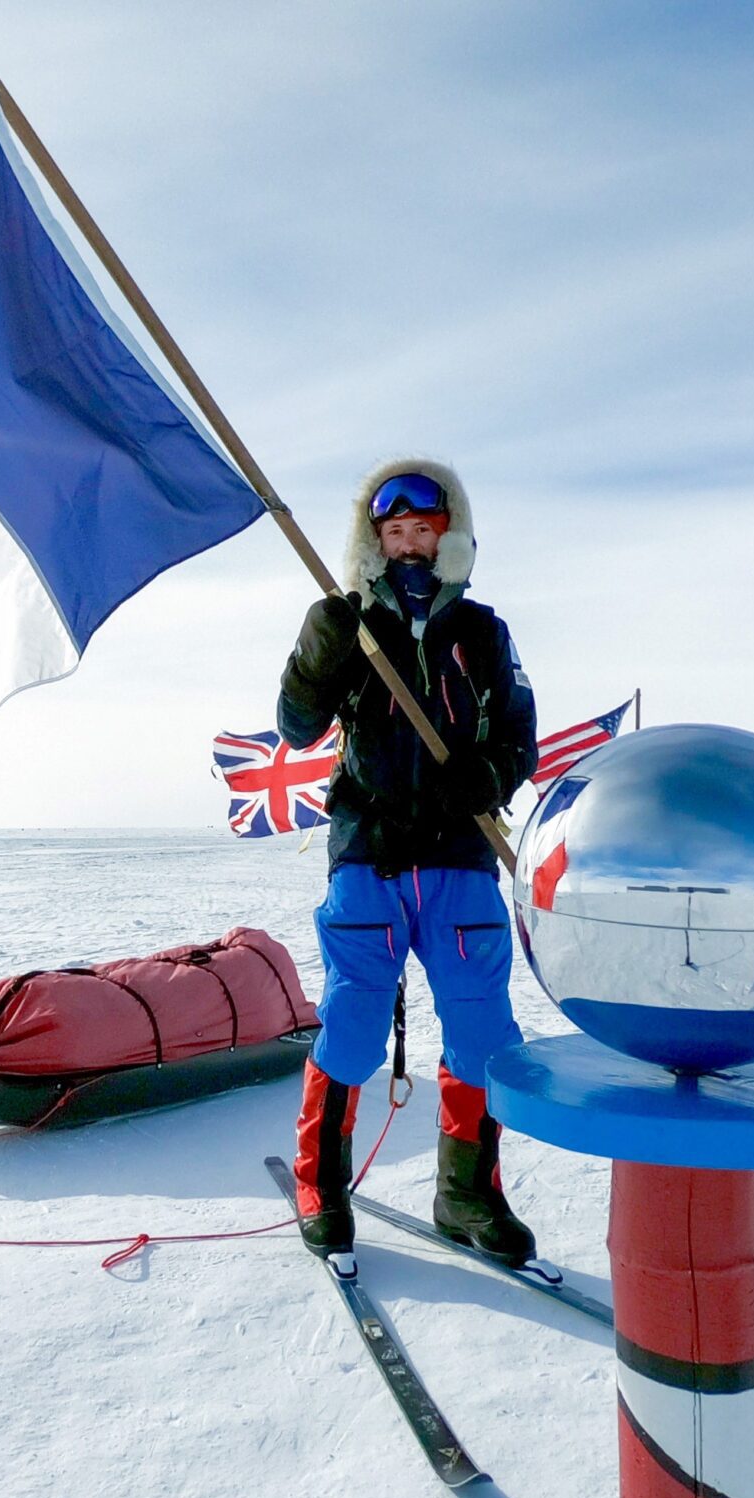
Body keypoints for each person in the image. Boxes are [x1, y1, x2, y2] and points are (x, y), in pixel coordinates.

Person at [278, 457, 539, 1270]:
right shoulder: (347, 622)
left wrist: (487, 775)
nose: (410, 545)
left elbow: (519, 736)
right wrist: (319, 652)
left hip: (460, 855)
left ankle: (466, 1194)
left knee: (484, 1036)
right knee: (352, 1026)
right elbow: (295, 724)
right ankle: (320, 1184)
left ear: (447, 536)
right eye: (395, 532)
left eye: (424, 530)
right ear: (375, 539)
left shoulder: (484, 631)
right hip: (372, 852)